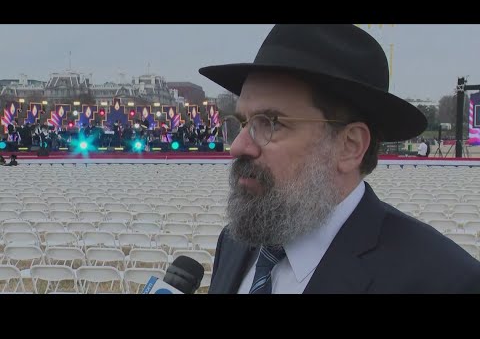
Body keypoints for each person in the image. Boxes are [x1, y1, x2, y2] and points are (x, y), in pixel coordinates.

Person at [199, 24, 480, 294]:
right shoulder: (235, 243)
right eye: (243, 122)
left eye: (271, 123)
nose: (238, 146)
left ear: (350, 146)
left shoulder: (444, 281)